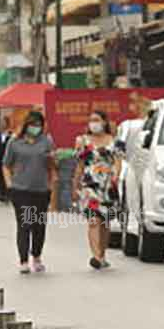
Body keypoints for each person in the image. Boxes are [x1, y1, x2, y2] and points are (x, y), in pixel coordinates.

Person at [2, 111, 57, 274]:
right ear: (26, 124)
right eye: (33, 124)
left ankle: (37, 256)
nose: (35, 128)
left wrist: (52, 182)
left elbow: (52, 166)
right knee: (25, 224)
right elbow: (6, 164)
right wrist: (9, 184)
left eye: (39, 125)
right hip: (20, 189)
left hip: (41, 189)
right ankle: (23, 260)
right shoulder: (15, 142)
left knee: (38, 225)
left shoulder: (46, 142)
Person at [72, 111, 121, 270]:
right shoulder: (82, 142)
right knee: (94, 220)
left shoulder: (114, 141)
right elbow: (79, 165)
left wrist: (115, 176)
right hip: (89, 186)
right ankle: (96, 256)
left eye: (97, 120)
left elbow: (118, 161)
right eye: (91, 120)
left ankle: (102, 253)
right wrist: (75, 184)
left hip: (107, 186)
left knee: (105, 222)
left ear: (105, 122)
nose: (94, 123)